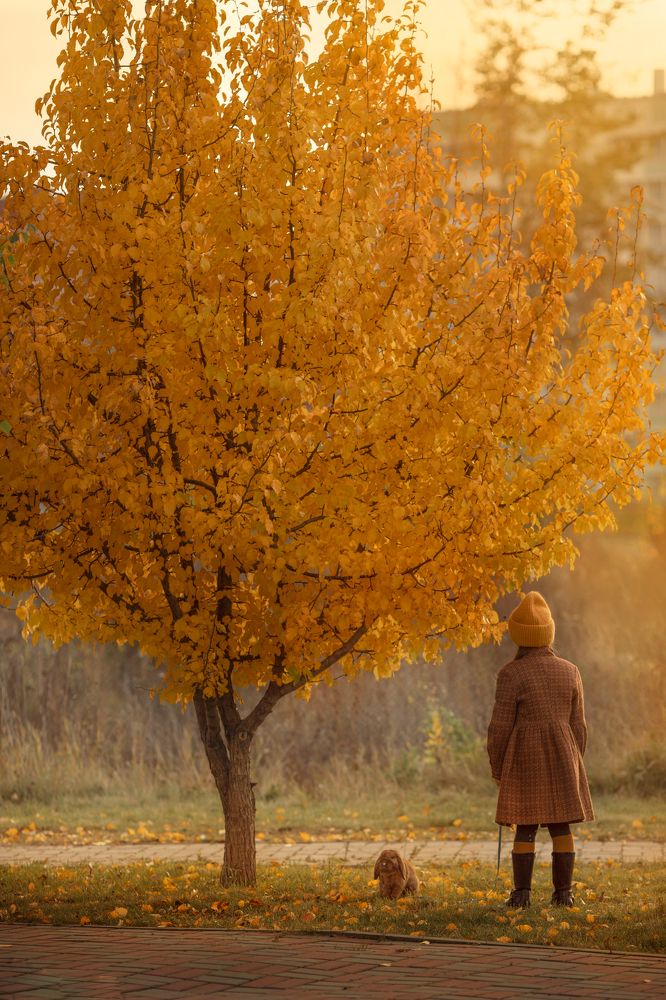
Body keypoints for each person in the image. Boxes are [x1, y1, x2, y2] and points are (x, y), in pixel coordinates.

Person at [487, 591, 594, 908]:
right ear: (549, 632)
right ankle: (564, 894)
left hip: (523, 759)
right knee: (562, 824)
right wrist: (574, 759)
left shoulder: (511, 674)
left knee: (526, 823)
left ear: (518, 636)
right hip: (564, 754)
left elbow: (499, 728)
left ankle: (521, 895)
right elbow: (580, 726)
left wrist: (497, 768)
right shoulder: (570, 670)